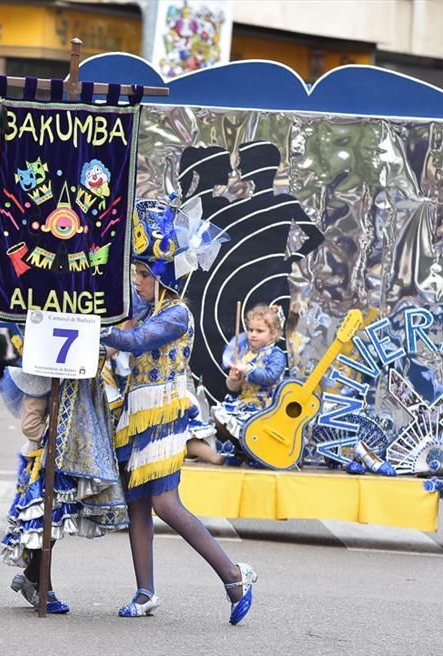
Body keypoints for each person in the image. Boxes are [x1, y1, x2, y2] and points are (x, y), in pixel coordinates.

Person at [100, 194, 256, 624]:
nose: (137, 281)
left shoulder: (177, 314)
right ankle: (145, 590)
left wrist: (97, 333)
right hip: (136, 410)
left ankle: (233, 574)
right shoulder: (144, 305)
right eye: (135, 273)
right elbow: (112, 308)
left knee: (165, 504)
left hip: (166, 412)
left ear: (163, 278)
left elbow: (134, 341)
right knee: (135, 503)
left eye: (144, 274)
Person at [0, 363, 127, 613]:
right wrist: (58, 441)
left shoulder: (95, 369)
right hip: (45, 462)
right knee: (45, 523)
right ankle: (39, 583)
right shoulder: (42, 368)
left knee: (53, 526)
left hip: (71, 461)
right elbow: (30, 423)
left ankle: (34, 578)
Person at [212, 304, 288, 445]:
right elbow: (235, 388)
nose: (253, 334)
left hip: (267, 408)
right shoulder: (246, 354)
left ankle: (252, 450)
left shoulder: (276, 355)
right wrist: (234, 380)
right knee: (220, 416)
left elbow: (270, 377)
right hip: (245, 403)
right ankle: (241, 450)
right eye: (250, 329)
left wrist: (246, 369)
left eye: (259, 331)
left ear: (274, 334)